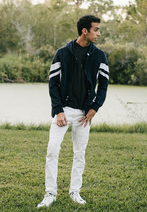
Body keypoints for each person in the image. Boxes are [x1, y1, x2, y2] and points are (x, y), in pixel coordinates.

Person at [37, 15, 109, 208]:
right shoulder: (62, 53)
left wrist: (94, 108)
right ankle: (50, 193)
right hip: (64, 110)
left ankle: (74, 192)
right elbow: (53, 84)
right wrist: (58, 110)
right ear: (85, 30)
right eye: (96, 29)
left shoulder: (100, 56)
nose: (99, 34)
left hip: (85, 113)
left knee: (80, 153)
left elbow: (103, 86)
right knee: (53, 149)